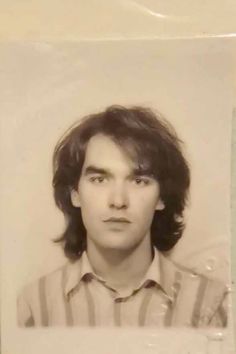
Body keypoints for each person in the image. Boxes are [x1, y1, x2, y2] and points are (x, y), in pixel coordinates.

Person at [17, 105, 228, 327]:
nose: (118, 201)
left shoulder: (212, 307)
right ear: (75, 194)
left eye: (139, 181)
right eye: (99, 179)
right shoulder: (33, 308)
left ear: (161, 197)